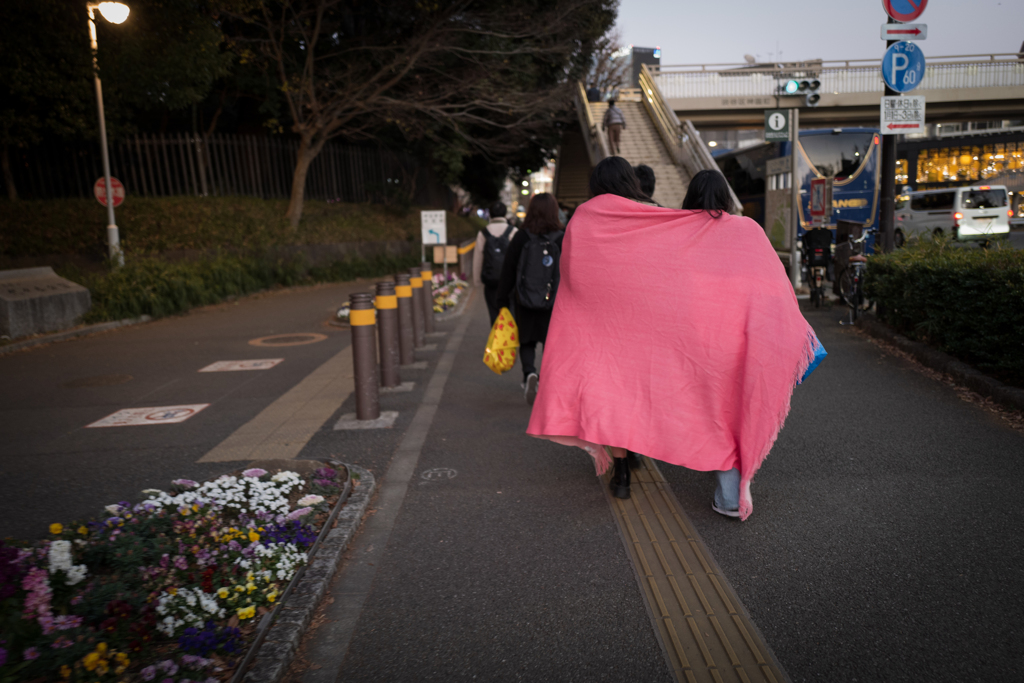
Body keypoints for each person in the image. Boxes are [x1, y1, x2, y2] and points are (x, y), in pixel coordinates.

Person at [527, 163, 815, 520]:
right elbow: (772, 289)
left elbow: (587, 281)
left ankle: (625, 470)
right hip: (725, 342)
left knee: (628, 400)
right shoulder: (744, 231)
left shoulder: (610, 221)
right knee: (726, 414)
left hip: (659, 337)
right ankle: (730, 496)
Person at [495, 193, 564, 405]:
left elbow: (508, 271)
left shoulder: (521, 237)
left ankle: (529, 375)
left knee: (527, 340)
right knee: (551, 343)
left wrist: (501, 301)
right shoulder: (562, 237)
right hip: (553, 302)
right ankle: (545, 380)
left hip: (523, 299)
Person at [473, 201, 518, 325]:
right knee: (511, 310)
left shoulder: (483, 232)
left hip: (491, 280)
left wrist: (477, 280)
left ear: (490, 215)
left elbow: (478, 257)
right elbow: (519, 257)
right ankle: (510, 340)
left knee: (494, 312)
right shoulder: (513, 231)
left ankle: (496, 340)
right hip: (510, 280)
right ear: (505, 214)